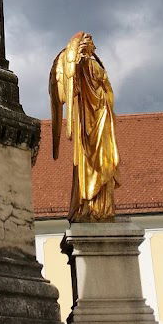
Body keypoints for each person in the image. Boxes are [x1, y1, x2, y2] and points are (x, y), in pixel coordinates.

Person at [49, 32, 119, 221]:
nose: (93, 47)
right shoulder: (83, 68)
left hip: (100, 116)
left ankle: (100, 205)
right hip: (88, 120)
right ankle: (91, 203)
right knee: (91, 159)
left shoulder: (93, 66)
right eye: (89, 44)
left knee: (103, 158)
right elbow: (76, 89)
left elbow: (107, 90)